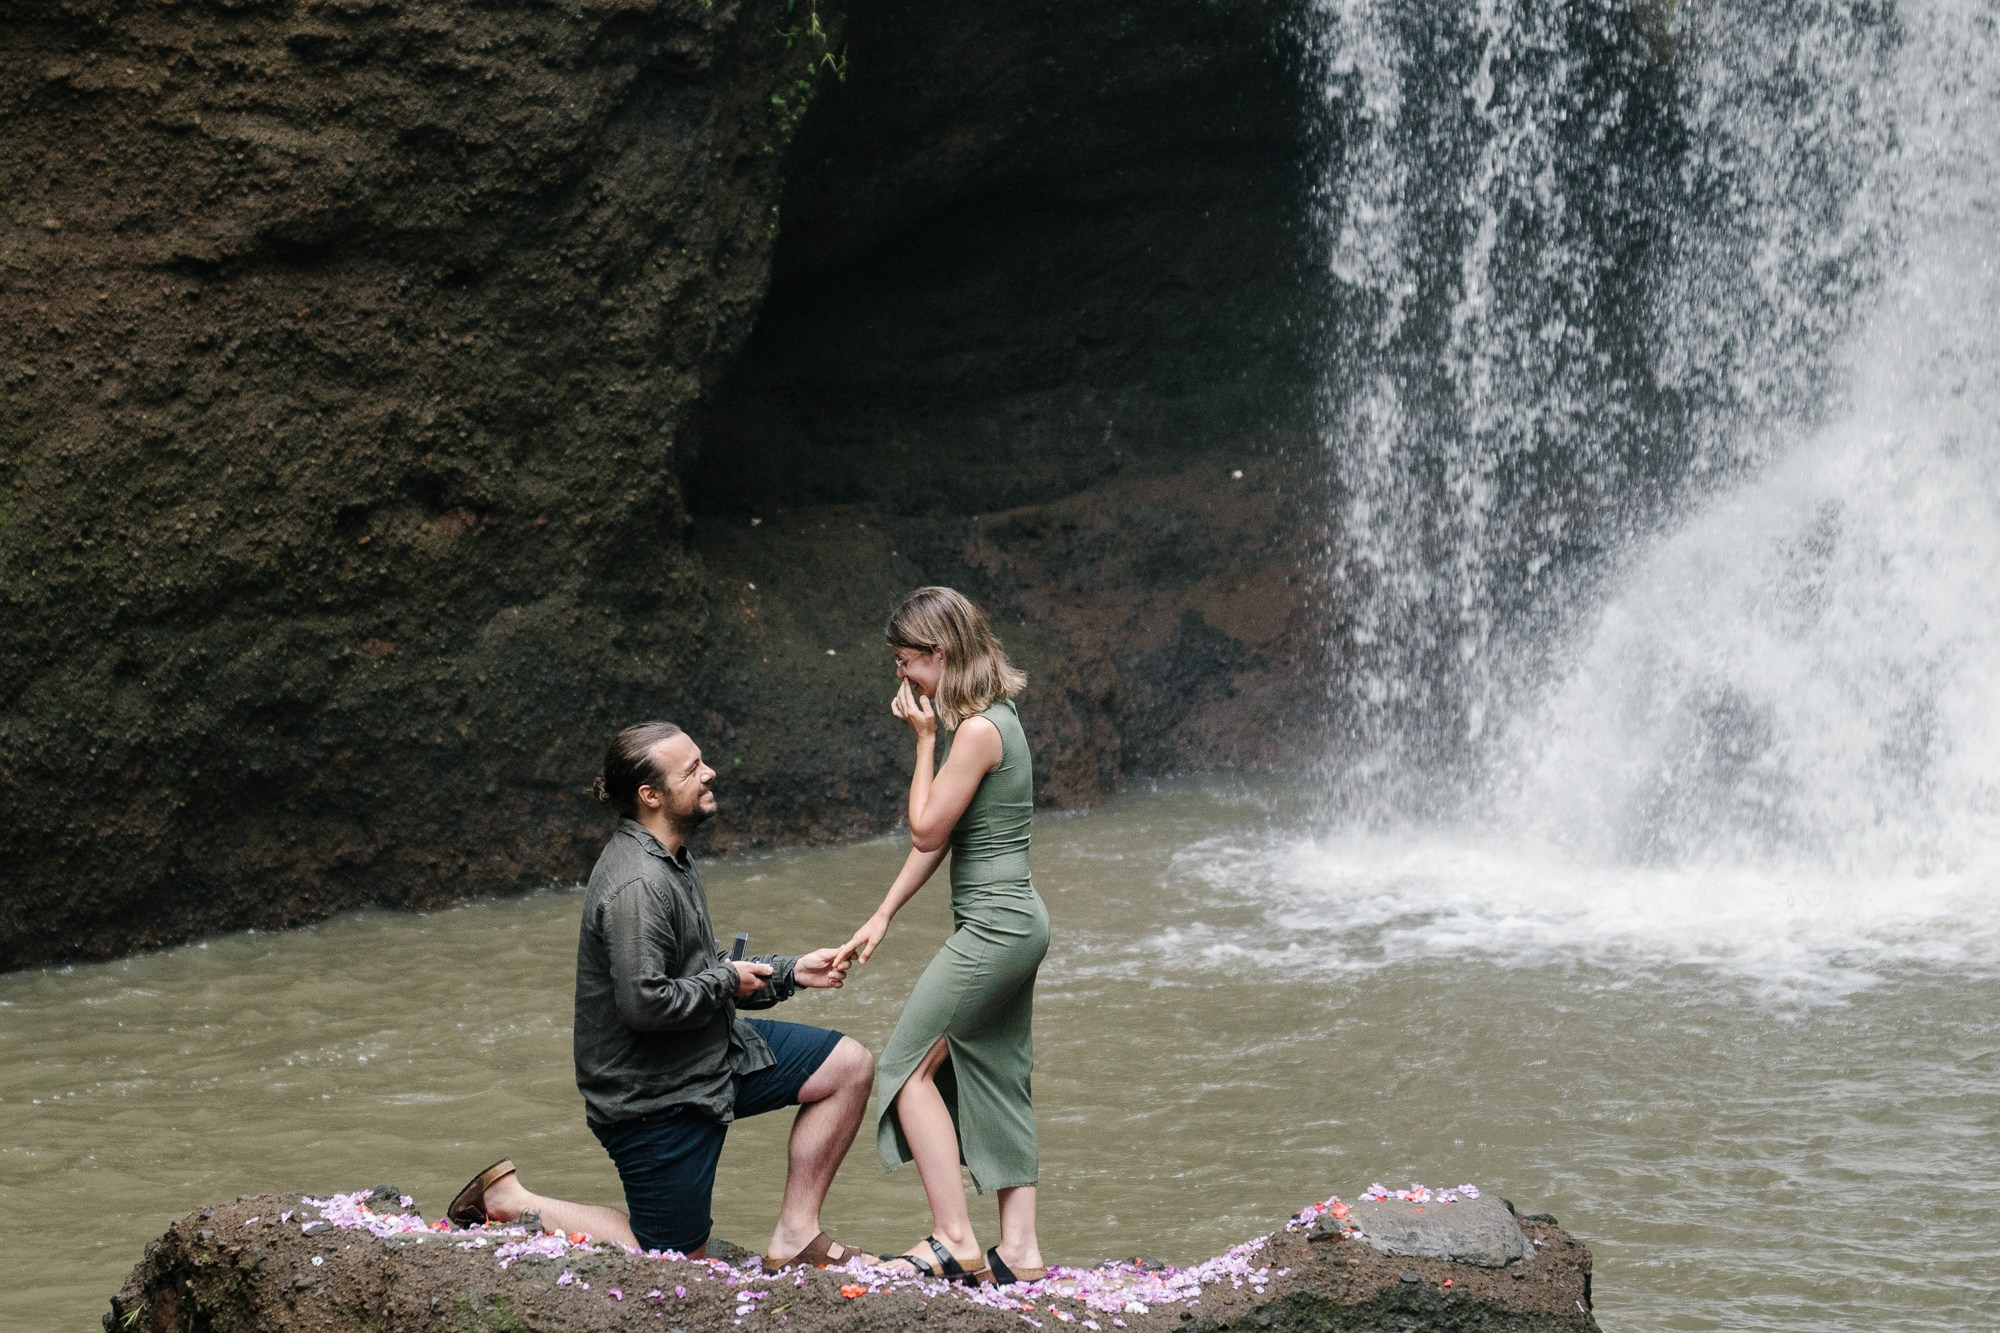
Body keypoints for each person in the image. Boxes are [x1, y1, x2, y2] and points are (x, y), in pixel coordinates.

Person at [448, 721, 876, 1274]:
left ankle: (796, 1234)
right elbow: (647, 1004)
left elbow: (701, 969)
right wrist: (728, 982)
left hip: (708, 1054)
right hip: (652, 1095)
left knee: (848, 1067)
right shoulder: (638, 885)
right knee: (674, 1261)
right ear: (650, 796)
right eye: (692, 769)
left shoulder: (670, 855)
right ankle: (514, 1202)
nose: (710, 773)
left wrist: (791, 973)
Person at [836, 587, 1050, 1287]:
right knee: (996, 1071)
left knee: (904, 1069)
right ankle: (1018, 1249)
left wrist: (924, 742)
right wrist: (884, 912)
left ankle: (955, 1237)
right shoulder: (994, 721)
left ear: (942, 652)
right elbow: (945, 838)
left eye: (908, 663)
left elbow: (926, 826)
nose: (902, 678)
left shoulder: (978, 731)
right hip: (1012, 923)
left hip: (995, 929)